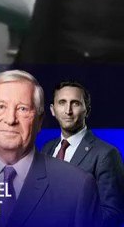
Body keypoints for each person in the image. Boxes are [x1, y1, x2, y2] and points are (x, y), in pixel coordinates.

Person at [0, 70, 99, 227]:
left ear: (39, 120)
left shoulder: (77, 186)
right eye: (1, 107)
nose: (10, 119)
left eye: (22, 109)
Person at [41, 82, 124, 226]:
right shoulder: (47, 149)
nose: (68, 110)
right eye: (62, 102)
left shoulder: (106, 154)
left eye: (75, 103)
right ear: (53, 110)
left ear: (87, 110)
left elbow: (113, 213)